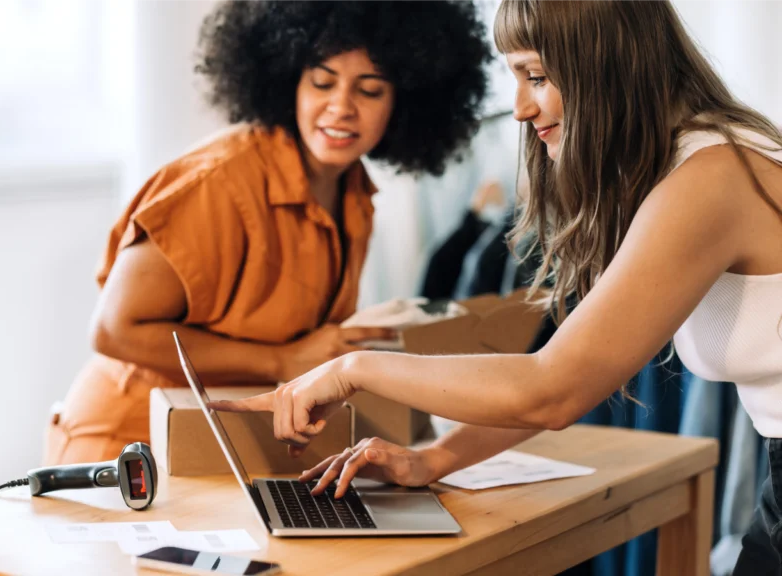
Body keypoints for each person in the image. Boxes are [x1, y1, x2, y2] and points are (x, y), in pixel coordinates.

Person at [211, 0, 782, 572]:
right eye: (514, 77)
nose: (518, 108)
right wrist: (432, 459)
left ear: (607, 65)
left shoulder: (710, 179)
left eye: (535, 76)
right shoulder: (694, 163)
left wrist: (351, 369)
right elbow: (563, 373)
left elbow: (554, 389)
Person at [43, 0, 491, 464]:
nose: (341, 107)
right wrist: (283, 360)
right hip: (126, 448)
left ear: (405, 102)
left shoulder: (354, 193)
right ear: (288, 80)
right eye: (322, 81)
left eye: (370, 90)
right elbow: (114, 330)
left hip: (223, 450)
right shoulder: (217, 183)